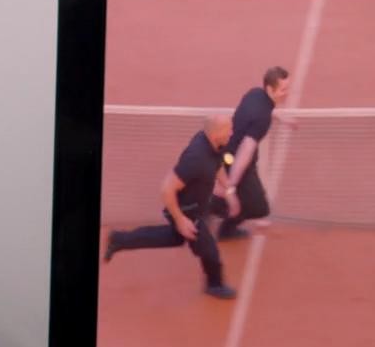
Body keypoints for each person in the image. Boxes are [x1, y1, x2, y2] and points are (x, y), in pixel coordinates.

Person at [103, 114, 239, 299]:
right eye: (228, 130)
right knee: (210, 251)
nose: (232, 133)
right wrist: (181, 220)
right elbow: (167, 188)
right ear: (215, 133)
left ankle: (119, 239)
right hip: (187, 211)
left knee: (174, 238)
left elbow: (218, 163)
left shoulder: (215, 144)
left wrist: (229, 190)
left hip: (196, 206)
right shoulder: (196, 159)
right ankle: (215, 285)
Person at [212, 66, 293, 240]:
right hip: (233, 159)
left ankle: (222, 221)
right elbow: (245, 151)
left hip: (226, 151)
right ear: (270, 89)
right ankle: (207, 206)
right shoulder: (262, 118)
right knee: (258, 207)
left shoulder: (255, 94)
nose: (286, 93)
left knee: (253, 203)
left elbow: (260, 112)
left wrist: (280, 118)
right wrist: (230, 187)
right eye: (283, 89)